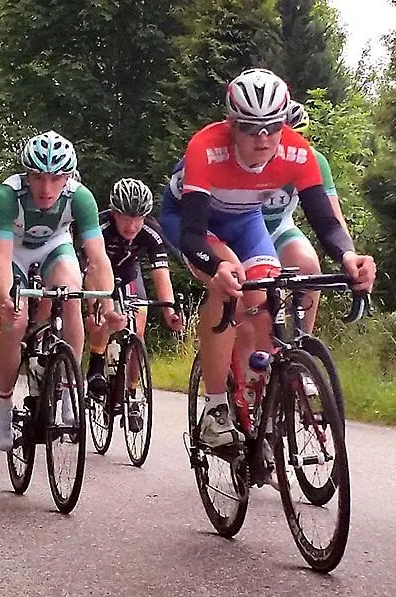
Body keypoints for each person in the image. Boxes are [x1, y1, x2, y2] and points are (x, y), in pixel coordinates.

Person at [159, 68, 375, 449]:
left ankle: (259, 400)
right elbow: (192, 234)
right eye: (250, 128)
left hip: (246, 220)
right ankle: (215, 408)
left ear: (283, 123)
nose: (262, 138)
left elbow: (325, 222)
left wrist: (348, 257)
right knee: (229, 281)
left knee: (265, 298)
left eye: (272, 127)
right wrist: (215, 268)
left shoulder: (297, 152)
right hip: (193, 222)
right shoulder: (205, 147)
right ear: (231, 124)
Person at [0, 131, 119, 452]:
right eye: (37, 178)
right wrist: (4, 300)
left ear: (68, 177)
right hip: (16, 252)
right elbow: (0, 257)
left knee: (71, 295)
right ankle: (3, 405)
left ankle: (71, 388)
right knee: (14, 324)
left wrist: (107, 303)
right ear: (26, 175)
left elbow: (98, 258)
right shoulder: (7, 196)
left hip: (54, 248)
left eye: (56, 178)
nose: (46, 189)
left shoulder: (80, 197)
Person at [83, 177, 184, 397]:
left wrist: (169, 310)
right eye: (126, 219)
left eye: (138, 219)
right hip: (98, 273)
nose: (131, 226)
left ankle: (131, 390)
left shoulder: (151, 231)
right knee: (102, 317)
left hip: (128, 274)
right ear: (114, 213)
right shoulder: (100, 227)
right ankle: (96, 363)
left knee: (138, 330)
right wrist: (94, 308)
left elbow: (161, 272)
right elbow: (89, 270)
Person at [258, 100, 351, 332]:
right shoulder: (252, 155)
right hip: (245, 232)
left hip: (280, 227)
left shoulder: (312, 160)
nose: (289, 147)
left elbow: (333, 217)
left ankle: (304, 340)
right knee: (259, 291)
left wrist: (349, 259)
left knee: (309, 268)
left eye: (298, 138)